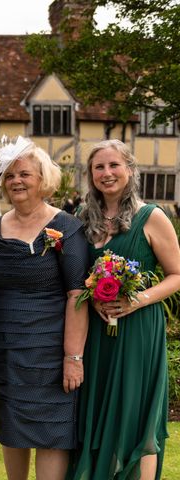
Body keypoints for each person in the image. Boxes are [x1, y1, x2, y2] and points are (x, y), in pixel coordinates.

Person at [0, 136, 89, 480]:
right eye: (9, 176)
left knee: (52, 432)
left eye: (24, 174)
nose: (16, 182)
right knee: (12, 428)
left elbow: (76, 294)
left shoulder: (66, 227)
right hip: (6, 348)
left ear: (43, 179)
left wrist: (73, 357)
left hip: (51, 351)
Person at [68, 140, 180, 480]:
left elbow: (177, 275)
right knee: (97, 410)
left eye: (114, 165)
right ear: (90, 175)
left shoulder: (152, 216)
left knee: (135, 414)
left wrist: (137, 299)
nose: (107, 173)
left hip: (138, 332)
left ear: (130, 170)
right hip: (96, 333)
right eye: (98, 167)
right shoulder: (81, 220)